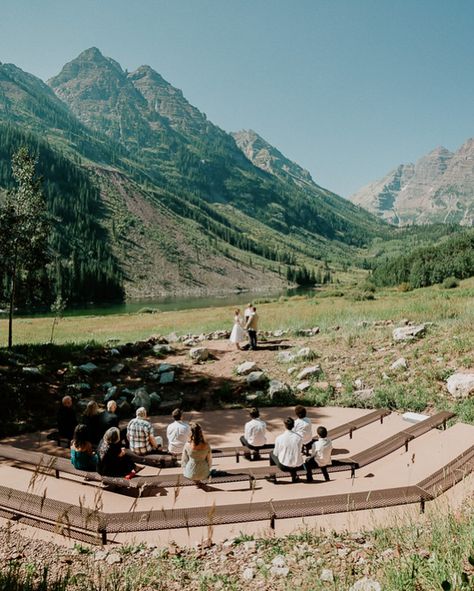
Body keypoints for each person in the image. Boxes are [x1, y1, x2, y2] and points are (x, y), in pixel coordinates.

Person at [269, 417, 303, 483]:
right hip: (297, 465)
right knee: (293, 458)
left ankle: (273, 476)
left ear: (285, 425)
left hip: (284, 466)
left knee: (271, 454)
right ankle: (294, 475)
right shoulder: (299, 437)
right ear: (293, 425)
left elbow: (276, 453)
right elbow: (300, 450)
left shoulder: (279, 438)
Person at [181, 422, 212, 487]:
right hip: (204, 472)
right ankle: (199, 477)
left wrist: (185, 470)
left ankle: (195, 478)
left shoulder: (187, 445)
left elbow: (184, 460)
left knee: (188, 460)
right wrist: (208, 469)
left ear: (191, 433)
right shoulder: (207, 445)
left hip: (190, 473)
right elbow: (209, 460)